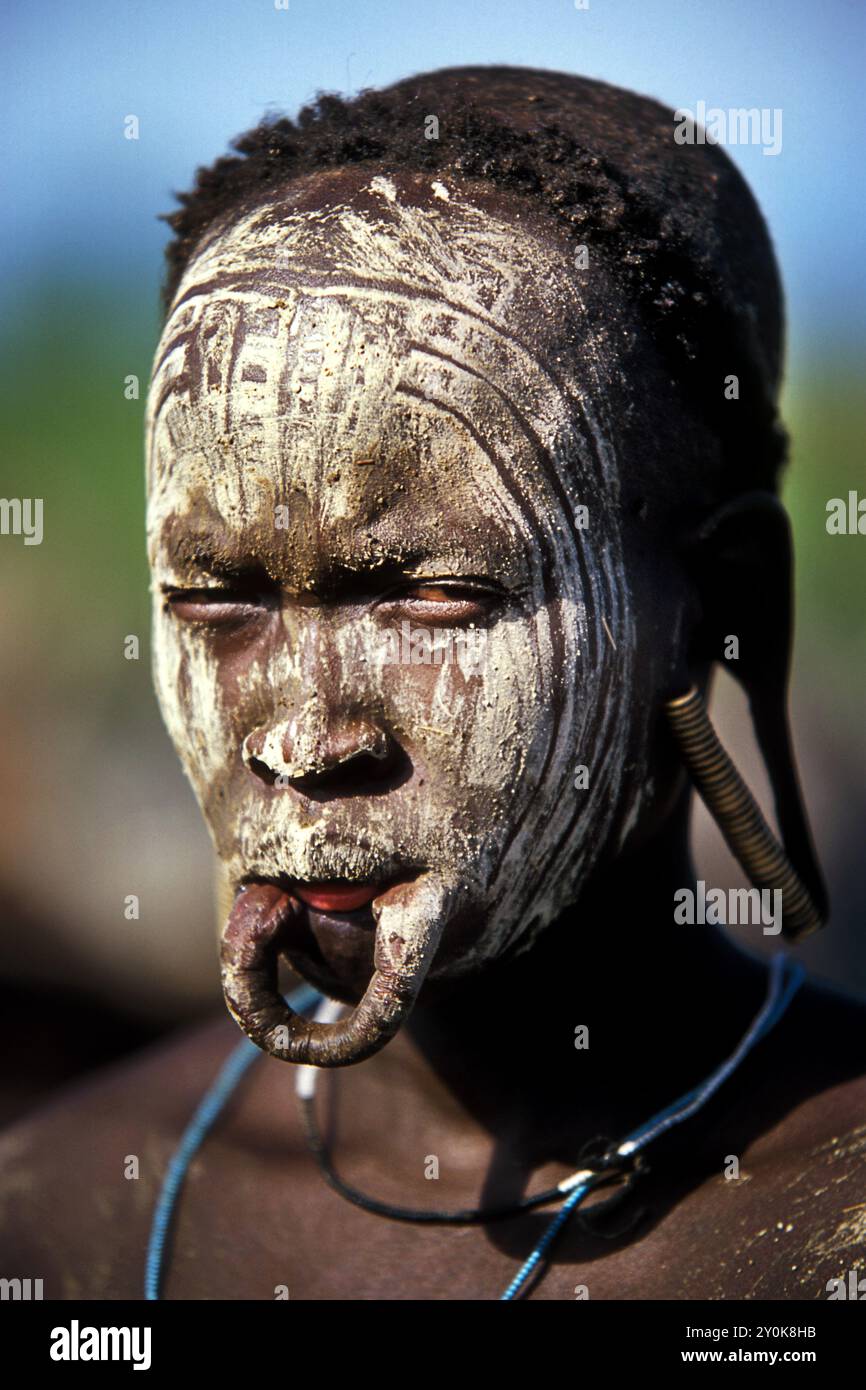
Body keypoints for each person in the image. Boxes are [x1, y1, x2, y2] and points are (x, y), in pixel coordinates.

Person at [2, 66, 864, 1301]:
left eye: (431, 596)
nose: (304, 734)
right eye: (212, 599)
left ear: (714, 607)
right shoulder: (51, 1214)